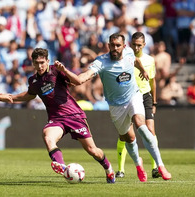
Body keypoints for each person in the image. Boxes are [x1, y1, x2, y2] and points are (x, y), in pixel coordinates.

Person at [55, 33, 172, 182]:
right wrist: (65, 71)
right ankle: (138, 164)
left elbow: (135, 60)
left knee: (141, 126)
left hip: (134, 96)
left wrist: (142, 69)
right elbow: (81, 79)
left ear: (124, 46)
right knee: (129, 138)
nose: (115, 48)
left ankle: (161, 165)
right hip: (116, 106)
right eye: (112, 45)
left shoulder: (129, 52)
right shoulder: (101, 62)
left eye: (118, 45)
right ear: (108, 45)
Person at [10, 48, 116, 184]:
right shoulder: (33, 81)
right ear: (33, 63)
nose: (40, 66)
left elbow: (77, 81)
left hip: (74, 115)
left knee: (93, 150)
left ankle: (108, 168)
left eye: (42, 62)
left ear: (47, 61)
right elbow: (29, 95)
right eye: (37, 63)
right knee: (48, 137)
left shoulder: (56, 70)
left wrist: (64, 70)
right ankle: (63, 166)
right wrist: (10, 97)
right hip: (56, 119)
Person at [115, 32, 161, 179]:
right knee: (125, 135)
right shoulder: (124, 59)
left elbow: (152, 81)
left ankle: (155, 168)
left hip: (145, 96)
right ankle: (121, 169)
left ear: (144, 45)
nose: (136, 47)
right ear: (130, 43)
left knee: (151, 130)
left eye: (139, 45)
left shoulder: (150, 60)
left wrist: (154, 102)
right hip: (128, 97)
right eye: (134, 44)